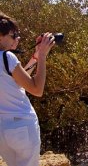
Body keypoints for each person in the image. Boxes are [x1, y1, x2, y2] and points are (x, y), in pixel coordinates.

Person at [0, 11, 55, 166]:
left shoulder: (5, 60)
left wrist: (36, 55)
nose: (17, 38)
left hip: (3, 129)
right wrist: (43, 56)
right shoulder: (7, 57)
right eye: (13, 35)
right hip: (22, 126)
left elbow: (17, 81)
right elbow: (37, 90)